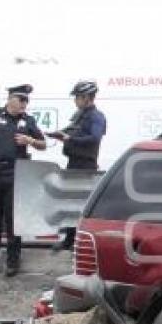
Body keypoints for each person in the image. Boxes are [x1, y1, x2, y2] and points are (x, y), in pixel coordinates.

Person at [0, 85, 47, 276]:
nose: (25, 104)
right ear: (10, 99)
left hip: (16, 175)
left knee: (13, 221)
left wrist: (31, 141)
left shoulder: (28, 121)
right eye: (22, 100)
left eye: (27, 101)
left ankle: (12, 262)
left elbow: (43, 144)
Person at [49, 80, 107, 251]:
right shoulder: (79, 115)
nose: (75, 100)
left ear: (87, 97)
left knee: (81, 204)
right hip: (73, 162)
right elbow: (69, 130)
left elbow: (95, 138)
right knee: (69, 201)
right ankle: (69, 238)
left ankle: (80, 240)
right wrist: (59, 134)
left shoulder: (96, 116)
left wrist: (70, 139)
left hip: (86, 165)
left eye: (77, 97)